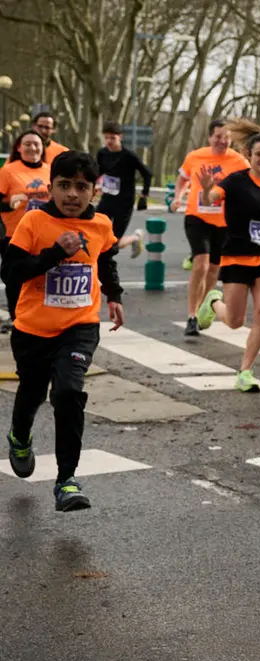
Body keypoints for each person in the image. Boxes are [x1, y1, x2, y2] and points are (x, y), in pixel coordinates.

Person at [4, 150, 124, 512]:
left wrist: (115, 295)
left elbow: (105, 259)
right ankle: (19, 436)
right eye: (64, 185)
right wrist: (54, 254)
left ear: (94, 190)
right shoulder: (34, 222)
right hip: (32, 329)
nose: (73, 194)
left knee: (69, 392)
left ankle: (66, 481)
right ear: (51, 188)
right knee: (32, 391)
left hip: (80, 326)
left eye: (82, 187)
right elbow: (10, 272)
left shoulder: (101, 224)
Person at [192, 130, 260, 392]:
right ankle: (214, 301)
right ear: (250, 155)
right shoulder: (235, 181)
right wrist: (207, 191)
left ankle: (246, 371)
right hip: (237, 256)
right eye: (259, 154)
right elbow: (212, 198)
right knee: (235, 321)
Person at [171, 119, 250, 337]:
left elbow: (250, 184)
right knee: (201, 265)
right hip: (197, 217)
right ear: (209, 137)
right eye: (218, 136)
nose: (222, 141)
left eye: (226, 137)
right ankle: (192, 315)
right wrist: (178, 197)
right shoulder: (196, 156)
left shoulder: (239, 161)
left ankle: (204, 306)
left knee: (214, 270)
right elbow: (182, 180)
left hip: (224, 222)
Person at [0, 130, 51, 329]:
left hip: (45, 234)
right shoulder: (8, 171)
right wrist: (9, 204)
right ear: (19, 148)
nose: (32, 148)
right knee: (16, 280)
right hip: (16, 236)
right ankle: (17, 320)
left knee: (42, 278)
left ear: (42, 147)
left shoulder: (50, 170)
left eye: (36, 144)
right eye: (27, 144)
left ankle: (41, 318)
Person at [95, 121, 153, 259]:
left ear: (120, 137)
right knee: (95, 230)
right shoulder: (102, 154)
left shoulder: (128, 155)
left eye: (112, 138)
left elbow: (147, 173)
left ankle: (135, 238)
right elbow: (97, 172)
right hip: (107, 199)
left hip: (124, 202)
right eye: (106, 138)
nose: (109, 141)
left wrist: (144, 195)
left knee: (113, 242)